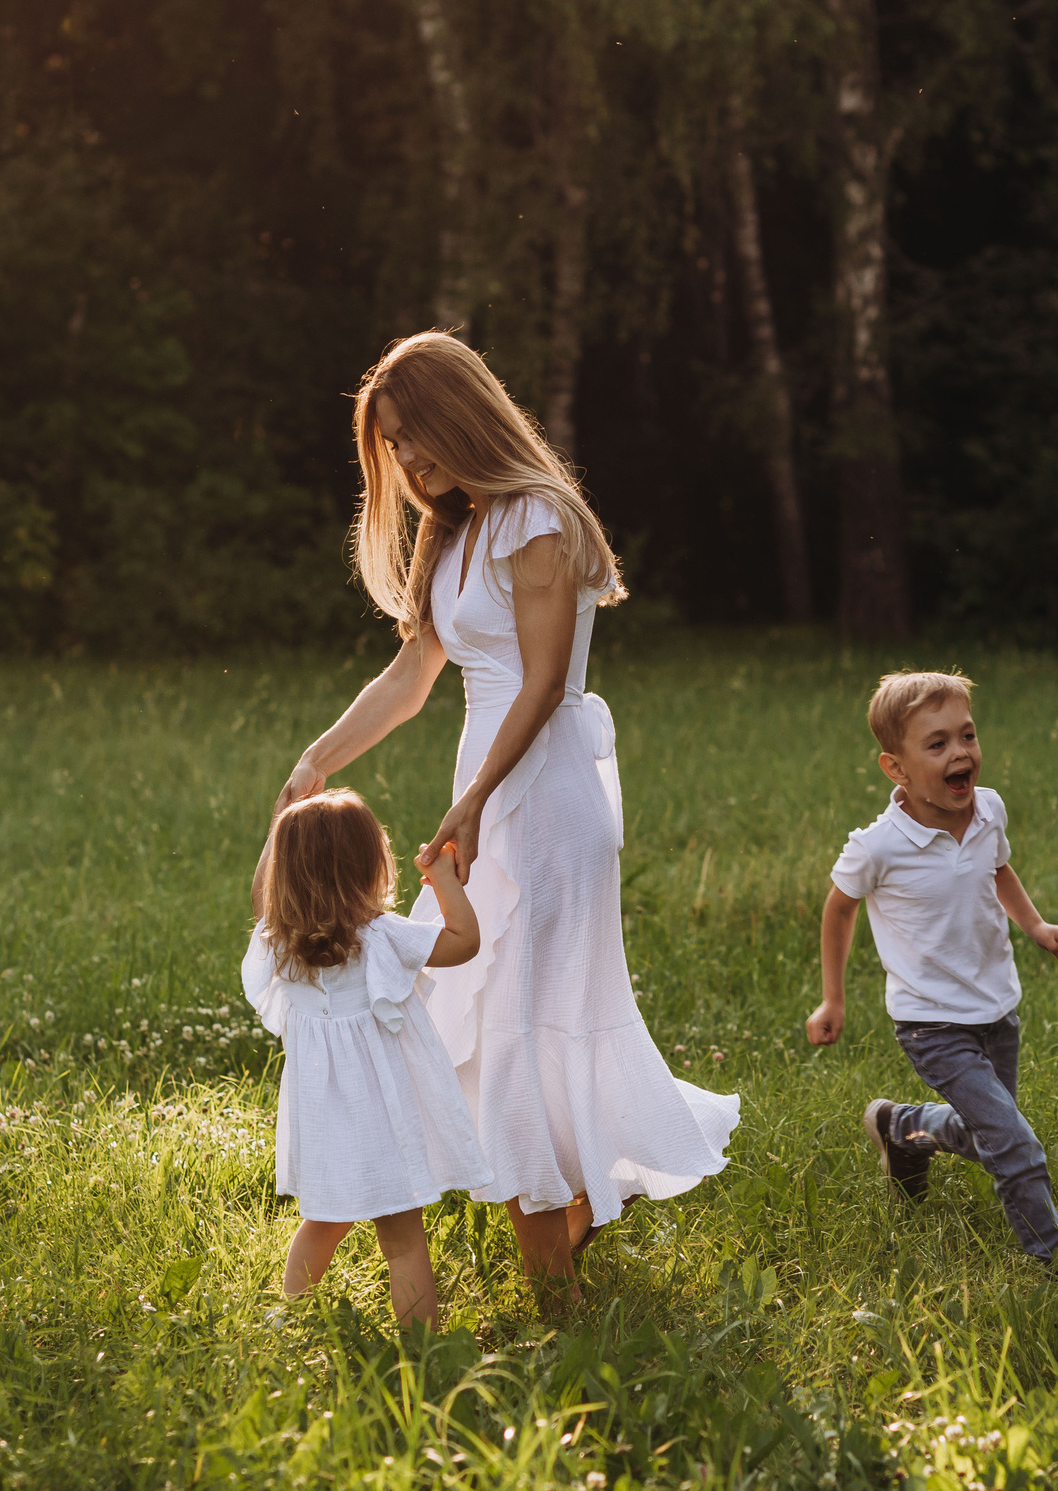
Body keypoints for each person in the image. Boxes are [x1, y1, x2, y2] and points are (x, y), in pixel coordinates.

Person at [277, 332, 738, 1299]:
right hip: (485, 789)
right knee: (498, 1013)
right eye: (391, 447)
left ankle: (558, 1291)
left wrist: (478, 796)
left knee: (526, 1018)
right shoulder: (454, 530)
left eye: (413, 435)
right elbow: (411, 677)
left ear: (461, 411)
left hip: (547, 793)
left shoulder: (538, 519)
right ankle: (566, 1230)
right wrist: (321, 755)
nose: (407, 461)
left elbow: (538, 685)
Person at [806, 671, 1058, 1263]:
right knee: (1014, 1142)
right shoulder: (878, 847)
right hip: (931, 1022)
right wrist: (833, 999)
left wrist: (1034, 926)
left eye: (967, 736)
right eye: (937, 744)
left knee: (988, 1140)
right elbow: (838, 910)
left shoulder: (989, 811)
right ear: (896, 768)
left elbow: (998, 871)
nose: (960, 753)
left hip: (996, 1006)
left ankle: (903, 1130)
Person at [241, 789, 491, 1329]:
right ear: (369, 864)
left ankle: (293, 1318)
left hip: (323, 1116)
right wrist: (445, 880)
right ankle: (424, 1349)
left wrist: (278, 830)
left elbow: (262, 901)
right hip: (385, 1117)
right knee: (402, 1239)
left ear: (283, 874)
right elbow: (464, 941)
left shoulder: (278, 944)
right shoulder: (381, 936)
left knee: (322, 1222)